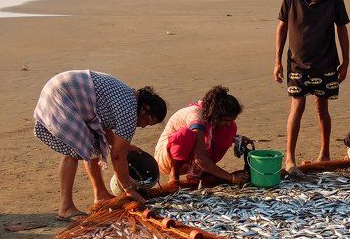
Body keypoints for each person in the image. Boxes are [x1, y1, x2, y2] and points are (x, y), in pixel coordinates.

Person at [34, 71, 167, 220]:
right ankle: (66, 207)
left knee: (95, 145)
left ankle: (100, 194)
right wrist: (129, 189)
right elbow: (117, 156)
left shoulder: (129, 98)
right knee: (73, 151)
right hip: (63, 94)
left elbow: (105, 130)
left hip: (65, 88)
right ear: (145, 110)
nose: (142, 126)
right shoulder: (129, 111)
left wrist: (127, 147)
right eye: (146, 122)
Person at [274, 0, 350, 176]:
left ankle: (324, 153)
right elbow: (282, 27)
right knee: (297, 107)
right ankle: (290, 157)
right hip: (297, 63)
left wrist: (346, 62)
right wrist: (277, 60)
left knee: (322, 107)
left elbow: (342, 29)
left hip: (326, 62)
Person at [154, 86, 251, 185]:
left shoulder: (212, 119)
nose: (228, 123)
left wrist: (235, 139)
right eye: (226, 120)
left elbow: (213, 133)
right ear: (216, 115)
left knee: (230, 129)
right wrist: (230, 177)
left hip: (188, 156)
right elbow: (199, 158)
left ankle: (205, 170)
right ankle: (174, 175)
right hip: (167, 159)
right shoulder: (196, 116)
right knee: (186, 135)